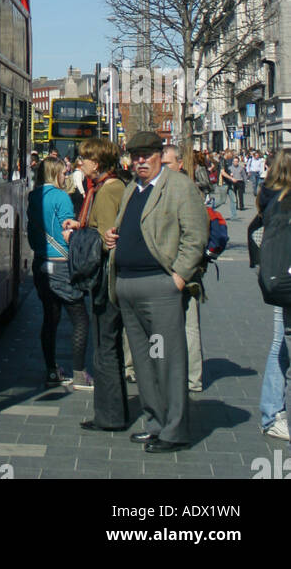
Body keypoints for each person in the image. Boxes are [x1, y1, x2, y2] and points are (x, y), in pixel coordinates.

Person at [105, 129, 209, 452]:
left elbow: (196, 236)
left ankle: (174, 430)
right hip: (128, 288)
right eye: (135, 158)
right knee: (145, 361)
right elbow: (126, 229)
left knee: (168, 360)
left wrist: (177, 279)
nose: (140, 162)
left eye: (146, 157)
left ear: (159, 156)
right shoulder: (131, 190)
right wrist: (112, 239)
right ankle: (154, 422)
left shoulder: (178, 187)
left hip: (160, 288)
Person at [73, 137, 129, 432]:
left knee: (104, 347)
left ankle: (109, 415)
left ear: (97, 162)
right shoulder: (109, 186)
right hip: (108, 278)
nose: (79, 163)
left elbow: (107, 239)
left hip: (106, 281)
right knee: (109, 345)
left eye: (84, 158)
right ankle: (114, 411)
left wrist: (80, 237)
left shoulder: (107, 191)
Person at [27, 157, 92, 389]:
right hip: (62, 263)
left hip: (41, 263)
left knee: (50, 318)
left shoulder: (32, 196)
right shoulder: (61, 197)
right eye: (63, 173)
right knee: (80, 318)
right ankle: (80, 373)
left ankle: (52, 371)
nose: (66, 177)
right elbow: (66, 228)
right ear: (55, 174)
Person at [247, 148, 291, 441]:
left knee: (280, 343)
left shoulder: (268, 195)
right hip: (286, 277)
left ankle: (272, 412)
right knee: (281, 344)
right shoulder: (286, 202)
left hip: (277, 278)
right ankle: (273, 412)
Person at [162, 143, 208, 393]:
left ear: (179, 164)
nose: (163, 168)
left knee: (189, 326)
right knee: (157, 329)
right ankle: (159, 368)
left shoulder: (187, 190)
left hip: (183, 273)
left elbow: (196, 237)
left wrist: (181, 273)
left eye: (167, 163)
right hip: (162, 271)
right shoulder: (160, 189)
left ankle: (192, 377)